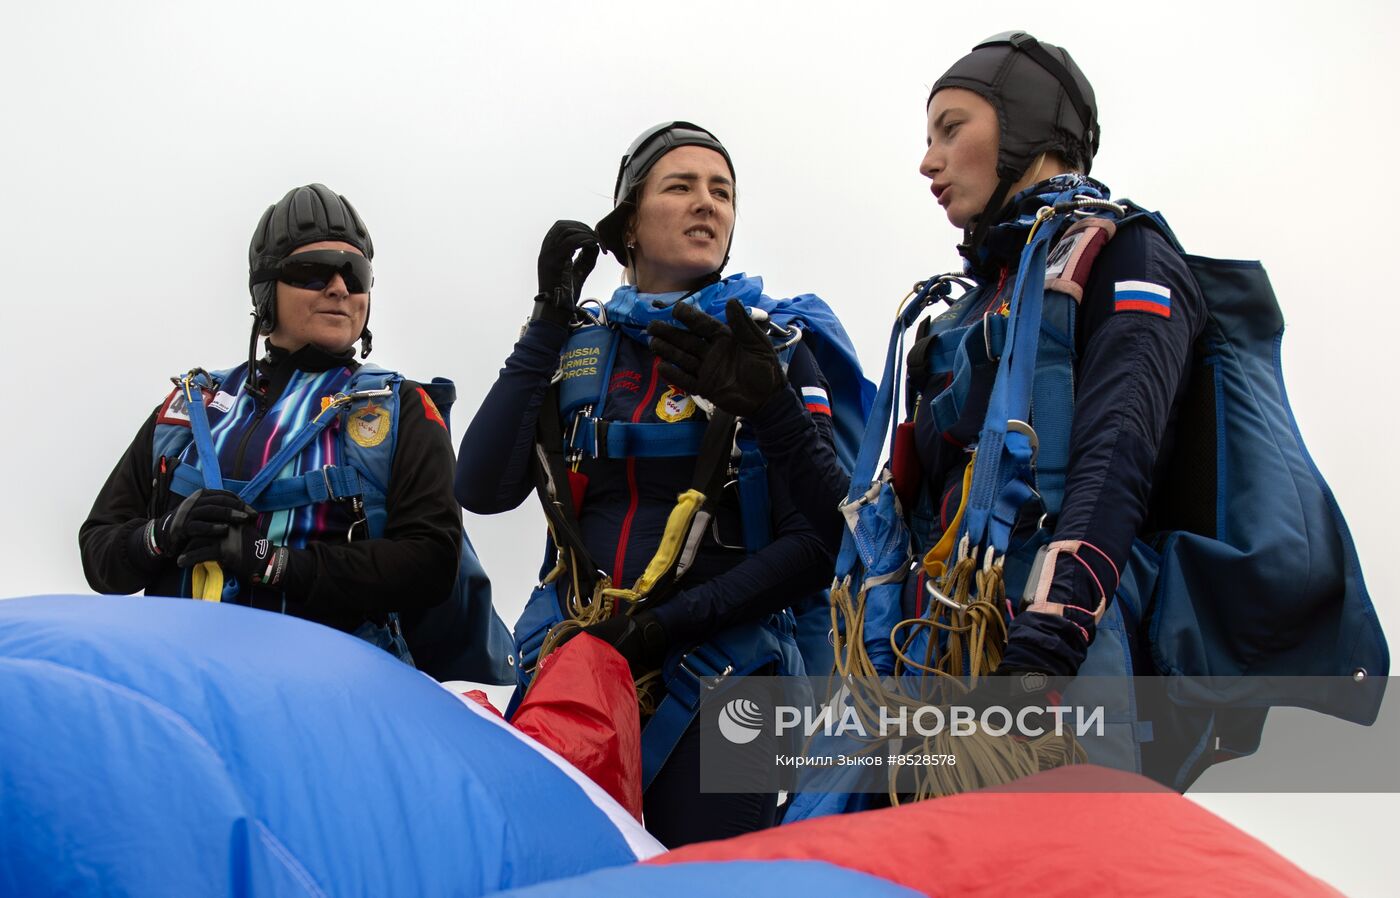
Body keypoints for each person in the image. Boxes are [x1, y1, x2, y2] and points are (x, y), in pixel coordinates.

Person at [456, 122, 862, 846]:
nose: (707, 204)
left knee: (711, 887)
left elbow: (826, 540)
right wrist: (546, 322)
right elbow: (482, 487)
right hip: (575, 663)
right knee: (566, 873)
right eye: (680, 187)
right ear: (629, 227)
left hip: (736, 681)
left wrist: (658, 630)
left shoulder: (774, 346)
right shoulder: (577, 349)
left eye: (722, 192)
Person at [80, 183, 464, 664]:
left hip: (328, 693)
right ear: (266, 291)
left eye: (355, 273)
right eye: (313, 271)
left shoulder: (399, 407)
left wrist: (276, 564)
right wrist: (166, 532)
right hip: (181, 683)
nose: (340, 288)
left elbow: (431, 563)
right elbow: (98, 554)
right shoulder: (190, 403)